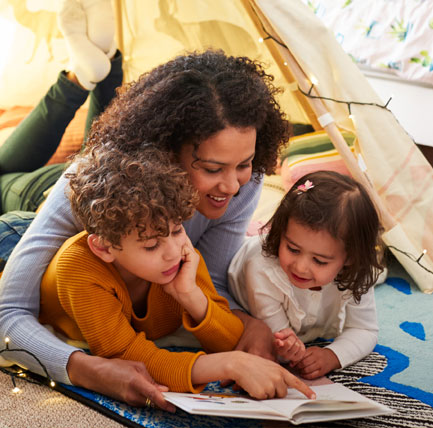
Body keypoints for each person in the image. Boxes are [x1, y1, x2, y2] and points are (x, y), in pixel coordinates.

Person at [0, 0, 291, 408]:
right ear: (166, 153)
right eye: (212, 168)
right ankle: (79, 77)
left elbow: (211, 286)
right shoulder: (80, 192)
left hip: (111, 178)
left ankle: (100, 69)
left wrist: (247, 323)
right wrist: (86, 368)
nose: (233, 184)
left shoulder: (245, 181)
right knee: (5, 171)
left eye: (243, 164)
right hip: (33, 203)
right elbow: (7, 314)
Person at [37, 144, 314, 402]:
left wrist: (191, 295)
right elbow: (124, 355)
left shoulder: (181, 254)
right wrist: (229, 364)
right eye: (151, 245)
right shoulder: (79, 268)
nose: (174, 250)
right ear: (104, 247)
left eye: (177, 229)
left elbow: (231, 339)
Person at [228, 170, 385, 380]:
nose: (301, 267)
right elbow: (276, 341)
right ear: (281, 233)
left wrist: (332, 355)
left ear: (350, 258)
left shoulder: (358, 272)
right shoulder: (261, 269)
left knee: (376, 273)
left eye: (319, 261)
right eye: (292, 249)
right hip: (241, 264)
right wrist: (287, 348)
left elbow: (365, 330)